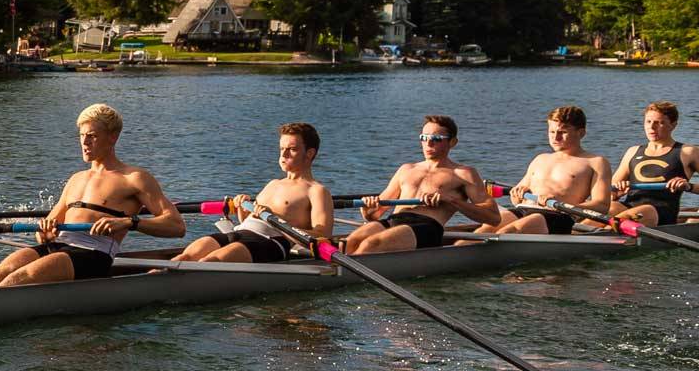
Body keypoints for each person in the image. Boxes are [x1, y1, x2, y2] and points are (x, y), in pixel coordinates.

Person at [0, 104, 185, 285]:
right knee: (8, 266)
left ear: (113, 137)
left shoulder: (134, 178)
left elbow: (176, 226)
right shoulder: (76, 179)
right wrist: (45, 233)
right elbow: (45, 232)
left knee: (20, 276)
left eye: (92, 136)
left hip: (93, 254)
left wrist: (129, 222)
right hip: (58, 247)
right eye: (82, 135)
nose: (84, 142)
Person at [175, 122, 333, 262]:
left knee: (210, 261)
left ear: (309, 153)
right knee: (184, 257)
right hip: (239, 233)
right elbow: (247, 220)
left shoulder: (316, 191)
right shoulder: (273, 184)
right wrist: (242, 209)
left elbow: (323, 236)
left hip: (270, 242)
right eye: (282, 148)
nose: (283, 154)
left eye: (292, 150)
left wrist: (275, 221)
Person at [343, 114, 502, 253]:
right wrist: (367, 209)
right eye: (424, 138)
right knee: (350, 242)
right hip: (394, 220)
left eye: (436, 139)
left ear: (452, 142)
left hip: (427, 227)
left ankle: (348, 273)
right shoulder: (406, 169)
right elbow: (374, 215)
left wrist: (451, 200)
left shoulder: (463, 173)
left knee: (371, 244)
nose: (428, 143)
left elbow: (494, 217)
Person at [484, 105, 611, 236]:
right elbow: (517, 199)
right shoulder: (540, 159)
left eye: (563, 132)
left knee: (508, 232)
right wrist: (516, 194)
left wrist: (562, 204)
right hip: (524, 209)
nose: (555, 138)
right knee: (486, 228)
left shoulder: (596, 162)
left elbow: (602, 205)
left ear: (581, 133)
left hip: (558, 215)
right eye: (552, 132)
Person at [608, 100, 698, 227]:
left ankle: (601, 232)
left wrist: (689, 187)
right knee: (611, 207)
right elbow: (610, 192)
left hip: (660, 214)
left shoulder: (688, 152)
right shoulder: (632, 151)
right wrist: (616, 194)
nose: (651, 127)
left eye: (659, 123)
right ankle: (582, 232)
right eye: (648, 122)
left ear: (673, 125)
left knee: (646, 210)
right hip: (629, 207)